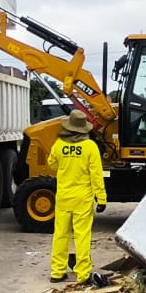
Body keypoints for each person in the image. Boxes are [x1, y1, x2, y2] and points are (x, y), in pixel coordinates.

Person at [47, 109, 106, 283]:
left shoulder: (59, 144)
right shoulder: (90, 147)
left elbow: (51, 164)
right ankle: (82, 274)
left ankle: (57, 272)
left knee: (60, 234)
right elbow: (96, 175)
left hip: (63, 198)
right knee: (82, 236)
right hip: (83, 199)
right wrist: (101, 198)